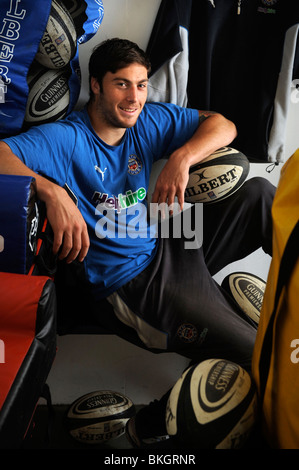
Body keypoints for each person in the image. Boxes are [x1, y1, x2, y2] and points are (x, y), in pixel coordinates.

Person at [0, 38, 275, 448]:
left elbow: (223, 124)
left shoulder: (145, 120)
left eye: (142, 85)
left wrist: (181, 158)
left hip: (169, 242)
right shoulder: (66, 138)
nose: (134, 97)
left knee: (258, 194)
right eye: (121, 84)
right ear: (96, 85)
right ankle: (147, 428)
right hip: (133, 285)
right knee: (255, 352)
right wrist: (49, 192)